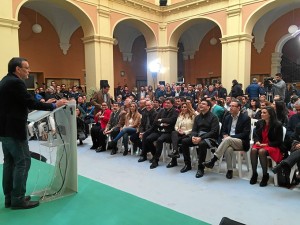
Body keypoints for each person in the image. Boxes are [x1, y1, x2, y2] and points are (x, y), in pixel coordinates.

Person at [0, 57, 68, 209]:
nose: (29, 71)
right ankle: (18, 199)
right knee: (23, 162)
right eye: (27, 68)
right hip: (15, 130)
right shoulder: (16, 82)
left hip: (4, 130)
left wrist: (44, 103)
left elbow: (18, 103)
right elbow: (29, 102)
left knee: (10, 163)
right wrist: (54, 105)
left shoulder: (4, 81)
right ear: (18, 69)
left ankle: (10, 198)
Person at [203, 99, 251, 179]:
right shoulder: (227, 117)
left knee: (228, 140)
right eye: (230, 106)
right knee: (228, 149)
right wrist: (225, 135)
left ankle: (213, 160)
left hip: (241, 141)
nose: (230, 108)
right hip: (227, 141)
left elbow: (245, 134)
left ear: (239, 108)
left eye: (233, 106)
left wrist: (230, 137)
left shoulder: (245, 118)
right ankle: (229, 170)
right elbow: (222, 131)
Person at [179, 99, 220, 178]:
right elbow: (194, 130)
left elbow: (213, 132)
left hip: (210, 138)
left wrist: (200, 138)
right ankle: (187, 164)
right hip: (198, 136)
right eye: (200, 103)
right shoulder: (197, 117)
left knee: (202, 144)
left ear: (208, 107)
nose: (201, 105)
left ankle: (201, 168)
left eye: (203, 104)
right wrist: (193, 136)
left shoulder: (214, 117)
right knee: (184, 141)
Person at [138, 97, 178, 169]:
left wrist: (161, 120)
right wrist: (163, 123)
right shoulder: (162, 111)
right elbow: (156, 121)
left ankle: (155, 160)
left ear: (172, 104)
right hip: (159, 130)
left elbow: (171, 121)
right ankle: (154, 155)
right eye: (166, 103)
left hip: (168, 132)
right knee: (148, 138)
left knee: (159, 140)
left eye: (168, 103)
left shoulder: (175, 111)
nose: (166, 104)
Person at [250, 106, 283, 187]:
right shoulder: (260, 123)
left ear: (270, 114)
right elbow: (256, 135)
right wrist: (257, 141)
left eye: (264, 113)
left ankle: (265, 175)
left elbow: (279, 141)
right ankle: (254, 173)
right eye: (262, 112)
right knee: (253, 150)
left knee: (261, 151)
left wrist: (266, 144)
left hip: (273, 145)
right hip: (261, 144)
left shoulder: (278, 125)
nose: (262, 114)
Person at [167, 102, 196, 168]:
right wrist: (178, 130)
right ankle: (175, 151)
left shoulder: (193, 116)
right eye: (182, 107)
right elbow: (176, 126)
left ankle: (182, 162)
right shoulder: (180, 115)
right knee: (174, 133)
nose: (183, 108)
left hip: (188, 134)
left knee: (177, 141)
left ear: (188, 107)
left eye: (185, 107)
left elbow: (194, 128)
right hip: (179, 133)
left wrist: (184, 132)